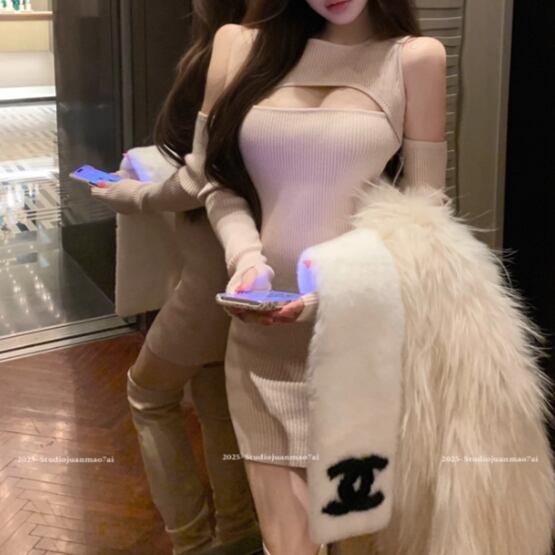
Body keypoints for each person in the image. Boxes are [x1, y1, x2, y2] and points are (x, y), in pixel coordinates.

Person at [93, 1, 447, 553]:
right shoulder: (239, 46)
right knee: (286, 544)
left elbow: (425, 221)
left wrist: (331, 293)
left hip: (358, 343)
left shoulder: (415, 59)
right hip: (262, 341)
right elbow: (216, 181)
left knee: (357, 541)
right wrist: (247, 259)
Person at [91, 2, 264, 555]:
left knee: (148, 393)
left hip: (214, 272)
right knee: (215, 397)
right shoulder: (282, 48)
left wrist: (131, 194)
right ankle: (238, 533)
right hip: (250, 270)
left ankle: (191, 541)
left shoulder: (226, 51)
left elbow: (202, 178)